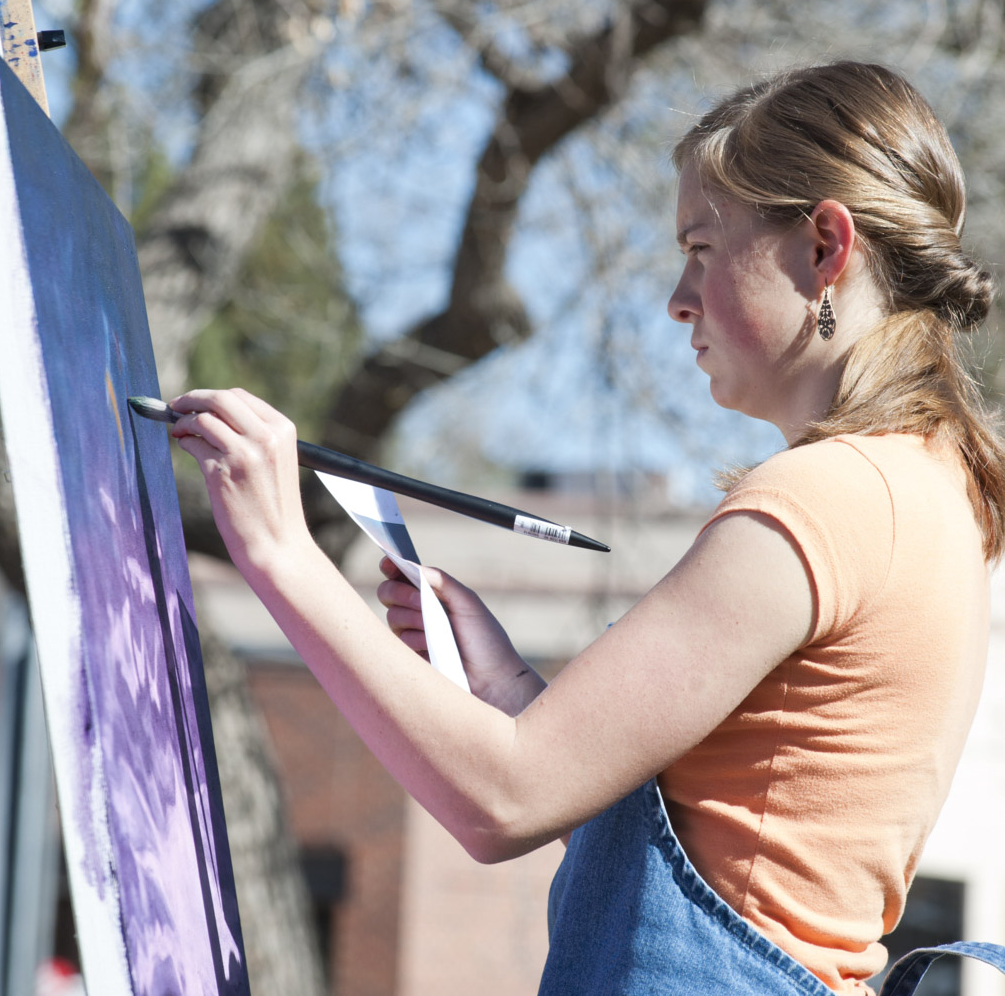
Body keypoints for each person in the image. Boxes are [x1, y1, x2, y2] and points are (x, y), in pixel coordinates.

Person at [169, 61, 1005, 996]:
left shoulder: (825, 500)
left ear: (824, 247)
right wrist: (507, 687)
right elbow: (737, 851)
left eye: (700, 245)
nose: (677, 298)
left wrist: (281, 552)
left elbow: (502, 800)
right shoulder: (932, 491)